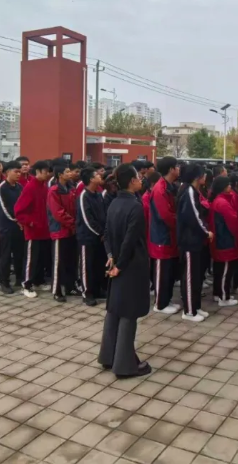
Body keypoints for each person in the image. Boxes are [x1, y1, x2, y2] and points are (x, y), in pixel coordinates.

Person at [99, 163, 152, 379]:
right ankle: (124, 365)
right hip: (131, 265)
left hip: (117, 263)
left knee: (115, 310)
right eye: (138, 177)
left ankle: (108, 356)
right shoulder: (135, 206)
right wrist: (120, 265)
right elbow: (130, 241)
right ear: (131, 181)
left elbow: (106, 233)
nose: (141, 180)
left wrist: (111, 257)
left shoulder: (114, 203)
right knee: (128, 313)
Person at [176, 163, 212, 322]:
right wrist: (206, 232)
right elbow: (193, 217)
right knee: (190, 276)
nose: (205, 177)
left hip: (195, 240)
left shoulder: (193, 190)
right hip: (189, 241)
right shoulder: (189, 191)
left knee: (196, 276)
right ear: (197, 177)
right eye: (203, 174)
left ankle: (196, 306)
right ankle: (189, 311)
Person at [15, 160, 52, 298]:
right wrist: (30, 223)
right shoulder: (30, 187)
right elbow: (18, 210)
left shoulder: (44, 186)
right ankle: (26, 284)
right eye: (45, 172)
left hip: (44, 230)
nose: (47, 174)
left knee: (41, 258)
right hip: (33, 231)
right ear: (38, 172)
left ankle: (38, 281)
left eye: (48, 172)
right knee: (31, 259)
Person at [149, 156, 181, 314]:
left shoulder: (170, 186)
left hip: (171, 236)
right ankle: (160, 304)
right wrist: (181, 222)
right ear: (171, 169)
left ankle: (166, 300)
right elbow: (166, 216)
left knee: (169, 272)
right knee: (162, 272)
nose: (179, 169)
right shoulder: (160, 189)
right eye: (177, 166)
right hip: (162, 237)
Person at [77, 167, 107, 306]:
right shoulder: (84, 196)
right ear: (91, 179)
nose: (100, 176)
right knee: (87, 266)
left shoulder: (98, 195)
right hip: (87, 237)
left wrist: (104, 232)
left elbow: (103, 215)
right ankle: (87, 293)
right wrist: (100, 232)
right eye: (97, 175)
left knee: (98, 265)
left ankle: (97, 289)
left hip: (100, 237)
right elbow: (87, 219)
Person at [209, 175, 238, 307]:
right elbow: (233, 221)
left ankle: (218, 293)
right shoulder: (222, 203)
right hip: (225, 241)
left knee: (220, 270)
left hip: (220, 240)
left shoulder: (220, 200)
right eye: (228, 185)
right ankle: (224, 297)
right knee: (225, 271)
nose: (230, 187)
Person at [48, 164, 77, 302]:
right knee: (58, 262)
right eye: (67, 172)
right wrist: (72, 222)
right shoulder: (54, 190)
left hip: (71, 230)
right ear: (60, 175)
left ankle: (70, 287)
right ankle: (57, 290)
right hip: (60, 230)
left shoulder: (71, 188)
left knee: (71, 260)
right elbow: (58, 212)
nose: (70, 174)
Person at [0, 160, 25, 294]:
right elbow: (4, 208)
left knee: (19, 253)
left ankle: (19, 278)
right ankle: (5, 282)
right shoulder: (1, 188)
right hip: (6, 226)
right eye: (16, 171)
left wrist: (22, 220)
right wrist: (16, 220)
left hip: (19, 226)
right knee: (6, 255)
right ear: (7, 172)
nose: (19, 174)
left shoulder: (19, 187)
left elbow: (23, 205)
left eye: (20, 172)